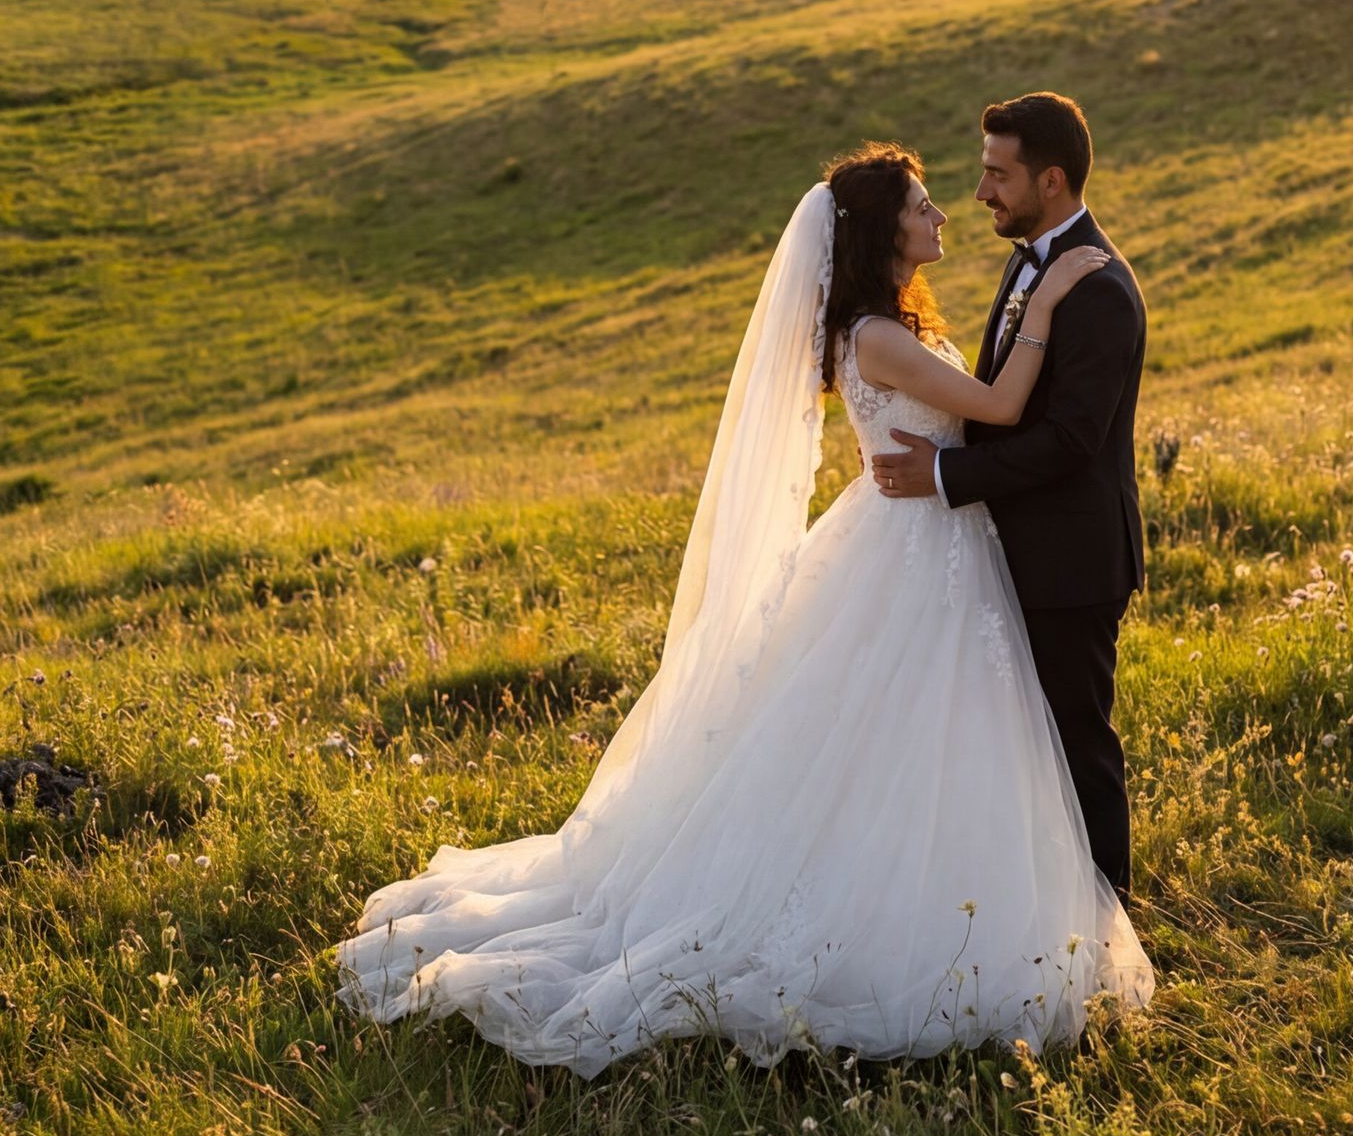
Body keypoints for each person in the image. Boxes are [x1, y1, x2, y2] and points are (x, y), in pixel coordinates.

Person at [331, 140, 1152, 1076]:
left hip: (937, 543)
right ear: (884, 230)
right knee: (896, 734)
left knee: (925, 737)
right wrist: (1045, 303)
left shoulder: (893, 324)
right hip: (913, 549)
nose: (946, 213)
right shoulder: (878, 335)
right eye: (924, 205)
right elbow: (1002, 408)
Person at [869, 92, 1145, 896]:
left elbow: (1069, 443)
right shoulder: (1030, 262)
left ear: (1050, 179)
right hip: (1011, 551)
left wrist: (947, 475)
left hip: (1071, 559)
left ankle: (1108, 918)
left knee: (1076, 742)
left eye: (998, 173)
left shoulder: (1096, 288)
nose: (981, 192)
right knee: (1019, 746)